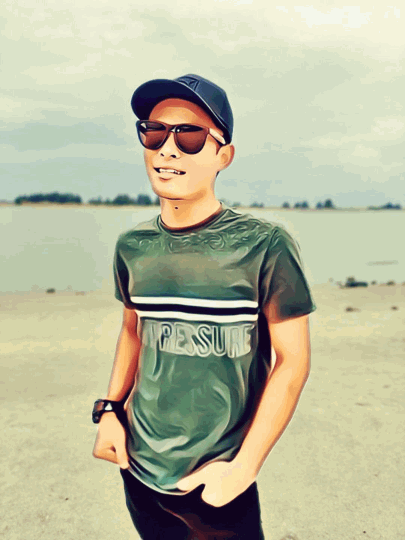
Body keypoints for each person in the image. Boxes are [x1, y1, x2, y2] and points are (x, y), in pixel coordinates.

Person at [92, 73, 317, 539]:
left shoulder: (265, 246)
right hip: (138, 464)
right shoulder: (133, 246)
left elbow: (292, 361)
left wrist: (244, 468)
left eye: (189, 135)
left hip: (217, 476)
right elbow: (133, 330)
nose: (168, 149)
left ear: (223, 156)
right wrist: (110, 410)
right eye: (154, 132)